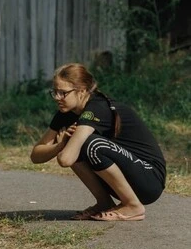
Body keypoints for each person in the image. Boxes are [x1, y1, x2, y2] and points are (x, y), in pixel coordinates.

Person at [30, 63, 166, 221]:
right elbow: (36, 155)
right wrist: (59, 145)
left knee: (92, 144)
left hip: (149, 178)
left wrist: (65, 144)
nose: (57, 98)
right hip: (127, 178)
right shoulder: (66, 112)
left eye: (63, 93)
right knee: (79, 145)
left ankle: (133, 206)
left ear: (81, 91)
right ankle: (104, 203)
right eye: (55, 92)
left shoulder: (96, 108)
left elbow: (65, 159)